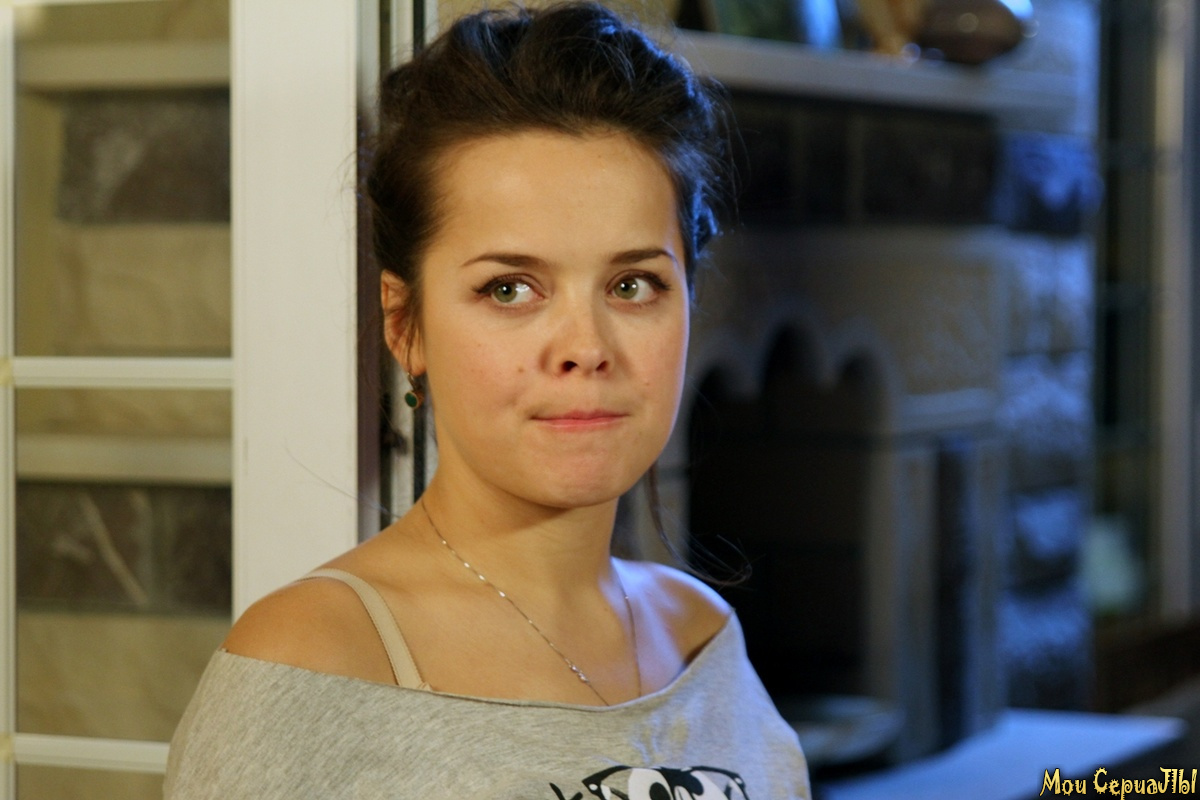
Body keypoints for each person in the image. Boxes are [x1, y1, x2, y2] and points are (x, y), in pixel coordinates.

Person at [165, 3, 810, 797]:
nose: (586, 346)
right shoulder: (312, 662)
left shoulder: (701, 638)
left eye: (632, 285)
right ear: (405, 325)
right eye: (510, 289)